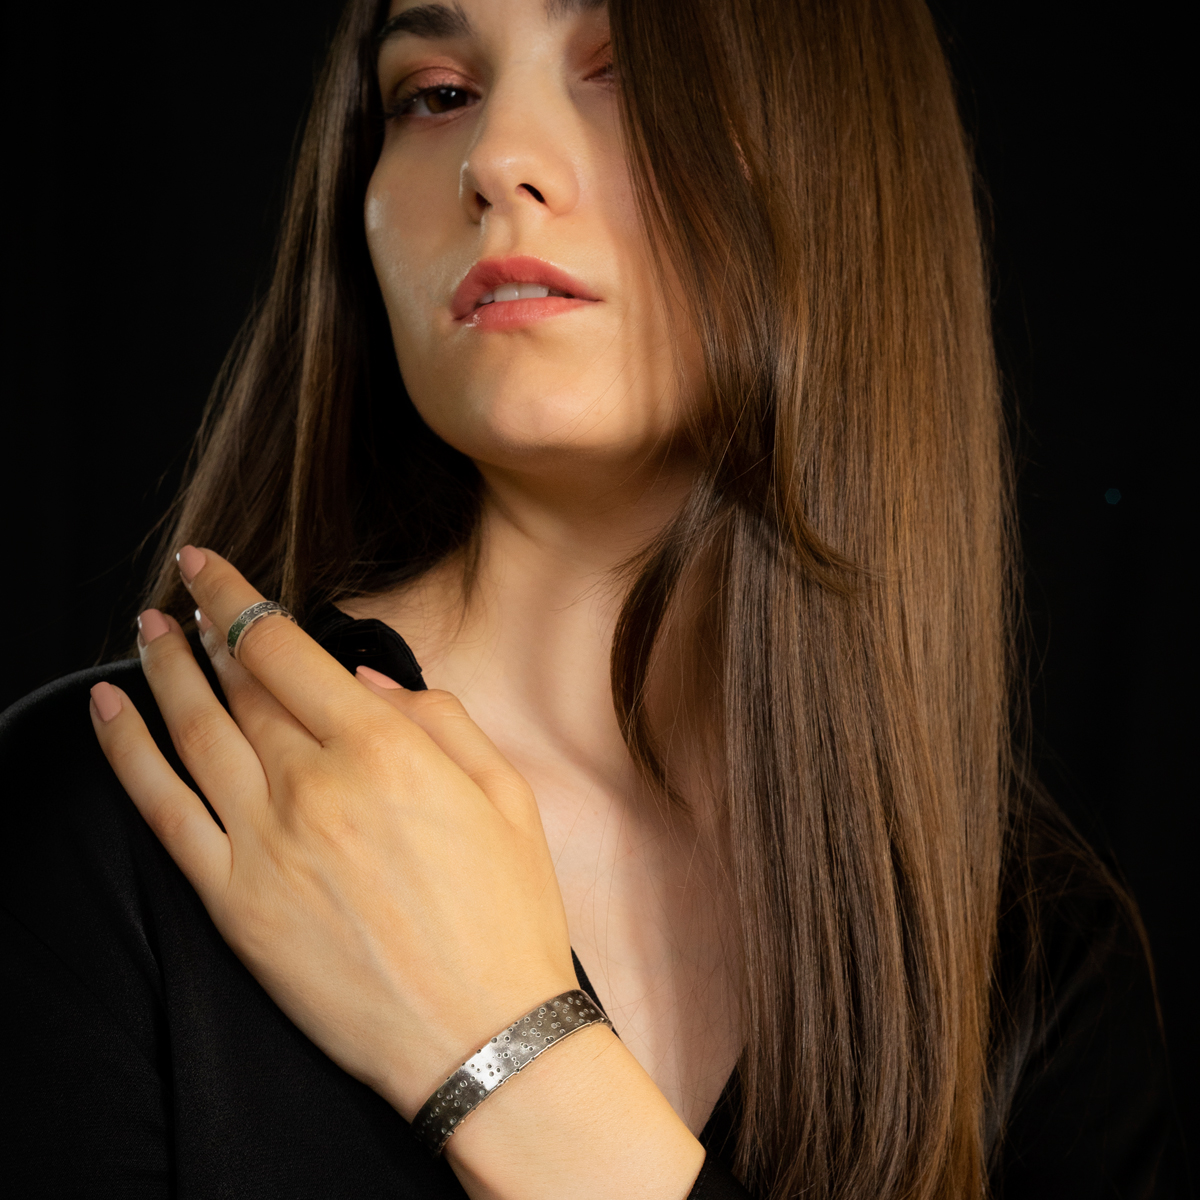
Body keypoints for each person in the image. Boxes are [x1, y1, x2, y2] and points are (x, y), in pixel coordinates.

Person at [0, 0, 1175, 1197]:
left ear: (840, 157)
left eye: (628, 70)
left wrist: (513, 1059)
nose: (494, 160)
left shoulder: (1036, 968)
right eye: (436, 95)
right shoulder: (116, 822)